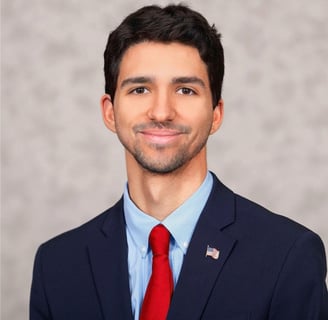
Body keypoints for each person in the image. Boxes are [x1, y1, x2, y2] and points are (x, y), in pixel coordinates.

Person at [30, 4, 328, 320]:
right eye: (140, 89)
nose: (161, 112)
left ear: (216, 114)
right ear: (110, 112)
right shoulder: (57, 266)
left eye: (185, 90)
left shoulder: (287, 257)